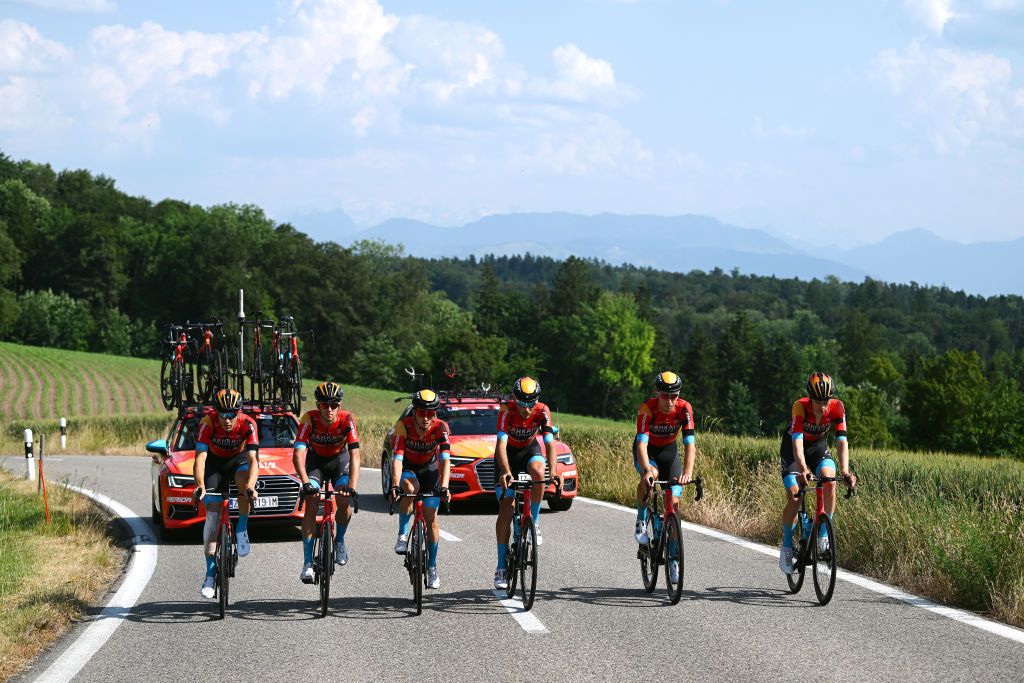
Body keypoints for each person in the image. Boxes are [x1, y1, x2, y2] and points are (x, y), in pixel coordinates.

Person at [778, 371, 858, 574]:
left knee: (830, 481)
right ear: (810, 398)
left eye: (826, 401)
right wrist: (803, 470)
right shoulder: (800, 406)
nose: (822, 407)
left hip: (817, 448)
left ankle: (823, 534)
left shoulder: (838, 407)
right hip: (793, 450)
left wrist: (845, 470)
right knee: (795, 497)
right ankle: (787, 545)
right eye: (817, 402)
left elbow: (842, 441)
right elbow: (796, 442)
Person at [492, 376, 561, 590]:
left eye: (531, 403)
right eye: (523, 403)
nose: (527, 409)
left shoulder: (542, 410)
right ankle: (501, 566)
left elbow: (550, 444)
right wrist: (505, 471)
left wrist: (554, 472)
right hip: (507, 458)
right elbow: (501, 445)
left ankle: (535, 521)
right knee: (507, 507)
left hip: (529, 452)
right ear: (515, 399)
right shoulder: (506, 411)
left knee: (539, 472)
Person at [192, 388, 259, 599]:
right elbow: (200, 458)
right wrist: (200, 485)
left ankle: (241, 527)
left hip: (238, 461)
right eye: (223, 414)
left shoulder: (248, 424)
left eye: (232, 414)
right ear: (216, 412)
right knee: (212, 513)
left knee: (243, 484)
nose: (228, 419)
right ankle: (210, 575)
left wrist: (251, 486)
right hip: (214, 463)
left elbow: (254, 460)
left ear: (239, 412)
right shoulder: (207, 423)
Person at [293, 381, 361, 583]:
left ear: (339, 406)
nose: (329, 409)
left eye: (333, 405)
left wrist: (352, 487)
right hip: (316, 463)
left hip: (339, 462)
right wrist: (305, 483)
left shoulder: (347, 419)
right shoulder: (309, 419)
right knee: (312, 501)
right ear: (317, 405)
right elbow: (298, 454)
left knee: (344, 500)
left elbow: (355, 455)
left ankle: (339, 540)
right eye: (324, 405)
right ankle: (307, 563)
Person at [632, 371, 696, 586]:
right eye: (665, 396)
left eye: (674, 396)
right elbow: (641, 444)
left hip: (669, 452)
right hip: (647, 452)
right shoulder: (646, 409)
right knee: (652, 476)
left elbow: (689, 444)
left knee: (674, 507)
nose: (670, 401)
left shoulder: (684, 409)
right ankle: (641, 520)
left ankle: (674, 559)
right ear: (657, 393)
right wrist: (646, 470)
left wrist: (687, 473)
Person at [389, 389, 451, 590]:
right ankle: (402, 533)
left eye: (431, 413)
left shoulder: (441, 427)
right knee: (410, 488)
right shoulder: (403, 427)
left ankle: (432, 567)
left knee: (432, 520)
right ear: (414, 412)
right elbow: (397, 459)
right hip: (408, 467)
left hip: (430, 469)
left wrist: (444, 486)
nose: (426, 418)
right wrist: (395, 485)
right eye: (422, 413)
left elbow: (445, 459)